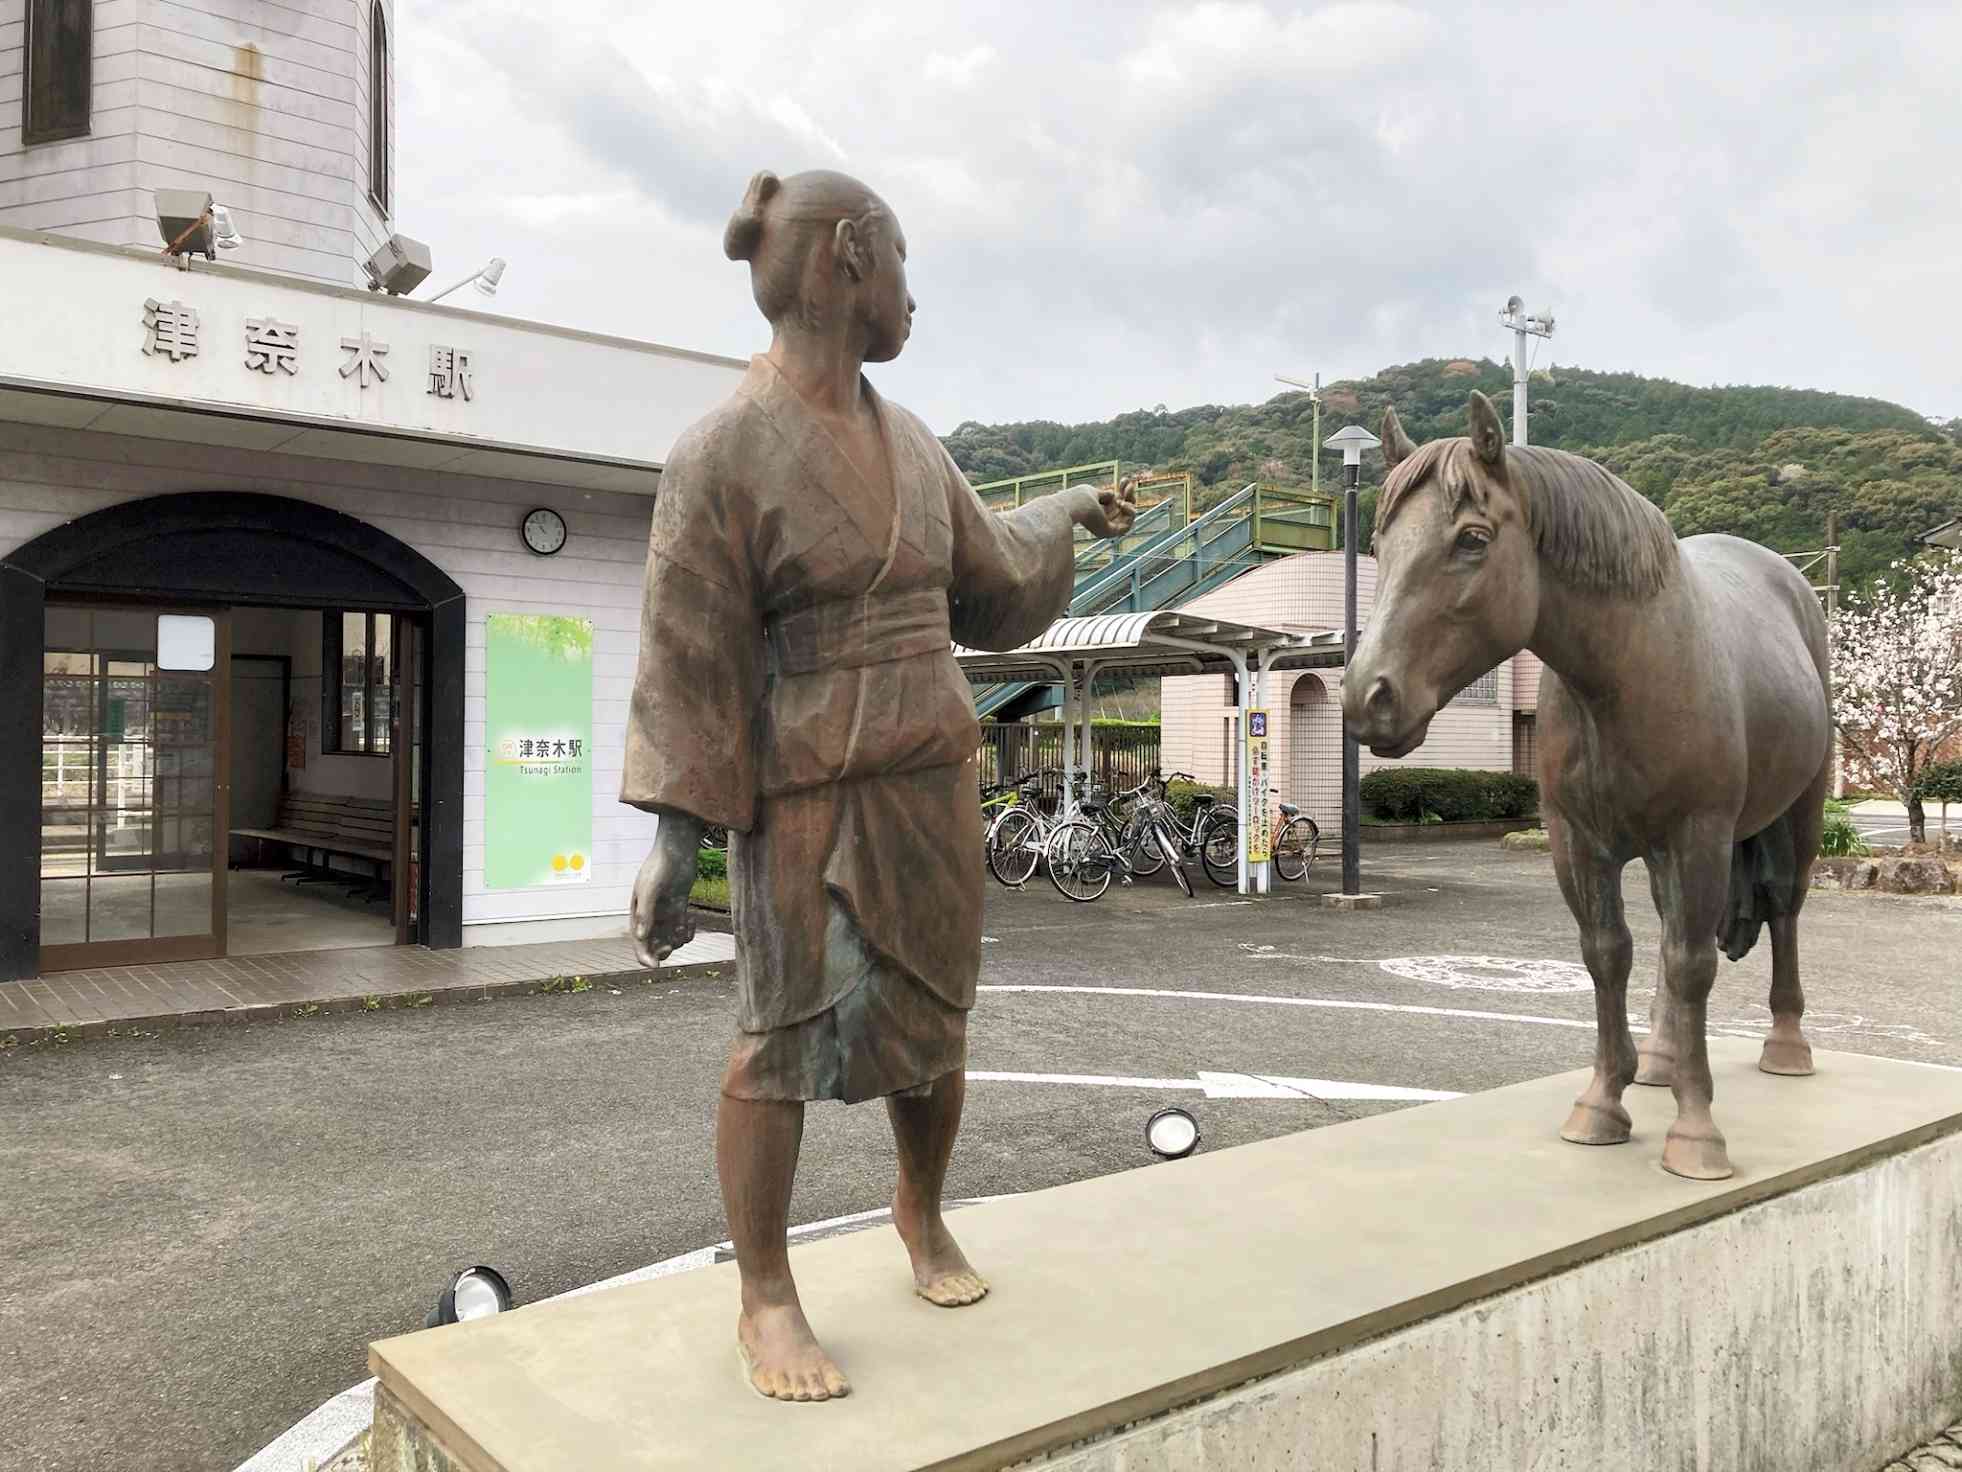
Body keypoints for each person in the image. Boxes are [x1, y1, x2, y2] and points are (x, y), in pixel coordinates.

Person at [622, 169, 1137, 1402]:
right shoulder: (723, 451)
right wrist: (674, 844)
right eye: (901, 262)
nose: (913, 294)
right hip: (808, 782)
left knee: (936, 1012)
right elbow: (690, 657)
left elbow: (999, 582)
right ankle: (765, 1290)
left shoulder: (912, 442)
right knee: (781, 1033)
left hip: (929, 768)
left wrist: (1063, 505)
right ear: (850, 261)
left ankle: (920, 1209)